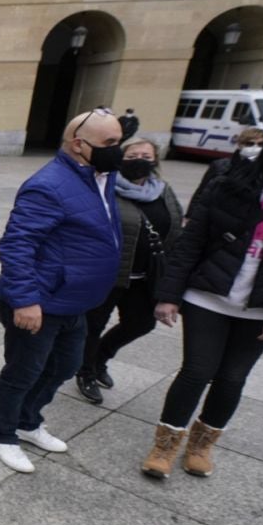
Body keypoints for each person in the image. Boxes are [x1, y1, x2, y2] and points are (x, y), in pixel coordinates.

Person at [143, 135, 263, 478]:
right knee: (196, 371)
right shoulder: (229, 182)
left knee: (232, 377)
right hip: (208, 294)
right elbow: (191, 241)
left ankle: (202, 444)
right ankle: (165, 443)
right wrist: (169, 294)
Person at [0, 109, 123, 473]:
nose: (117, 150)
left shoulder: (101, 178)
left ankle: (28, 422)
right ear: (79, 144)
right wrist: (26, 299)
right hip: (41, 302)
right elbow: (17, 245)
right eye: (110, 143)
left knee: (65, 366)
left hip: (74, 301)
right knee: (24, 371)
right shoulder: (48, 185)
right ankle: (1, 434)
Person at [74, 137, 183, 403]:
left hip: (144, 276)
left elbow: (175, 226)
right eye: (133, 156)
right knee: (92, 325)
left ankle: (101, 356)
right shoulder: (106, 188)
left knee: (141, 323)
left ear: (155, 160)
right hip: (108, 274)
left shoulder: (163, 190)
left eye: (146, 156)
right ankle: (85, 371)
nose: (140, 161)